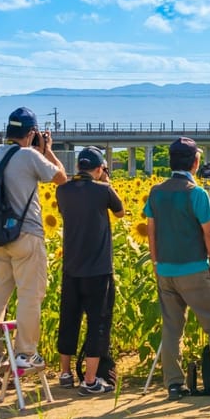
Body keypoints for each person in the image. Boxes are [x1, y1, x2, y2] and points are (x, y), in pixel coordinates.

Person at [145, 137, 210, 401]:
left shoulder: (156, 191)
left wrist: (156, 263)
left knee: (172, 327)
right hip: (193, 269)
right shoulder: (196, 193)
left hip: (165, 269)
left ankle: (174, 384)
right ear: (196, 162)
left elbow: (151, 231)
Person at [0, 107, 67, 372]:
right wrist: (47, 150)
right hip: (26, 233)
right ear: (32, 133)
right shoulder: (29, 155)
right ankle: (25, 353)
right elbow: (61, 178)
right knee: (30, 294)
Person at [56, 147, 125, 395]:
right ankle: (91, 380)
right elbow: (120, 211)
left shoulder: (62, 190)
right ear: (99, 169)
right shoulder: (103, 190)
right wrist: (106, 182)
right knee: (98, 322)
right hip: (98, 268)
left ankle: (64, 374)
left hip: (71, 266)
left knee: (69, 319)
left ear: (78, 167)